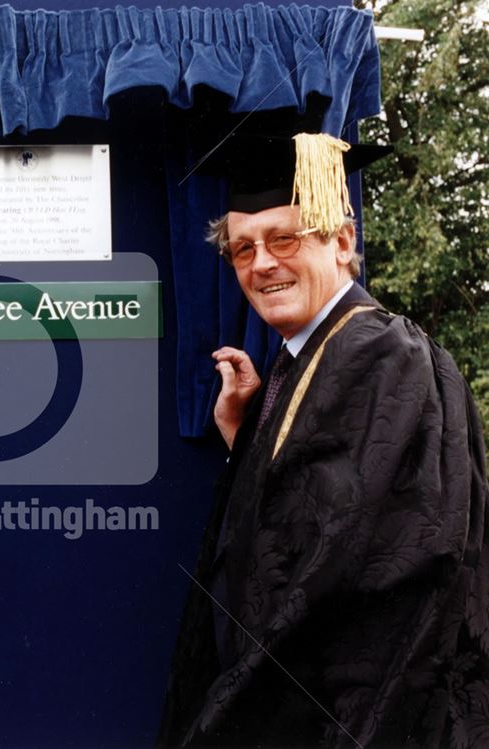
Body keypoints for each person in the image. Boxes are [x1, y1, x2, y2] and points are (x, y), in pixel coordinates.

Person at [158, 133, 489, 747]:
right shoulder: (309, 358)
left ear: (341, 242)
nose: (260, 264)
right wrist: (245, 436)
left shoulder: (383, 354)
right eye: (241, 249)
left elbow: (354, 561)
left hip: (348, 712)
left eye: (284, 238)